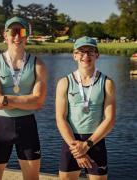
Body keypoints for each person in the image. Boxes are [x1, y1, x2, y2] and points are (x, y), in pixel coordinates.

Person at [0, 16, 47, 180]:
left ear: (27, 36)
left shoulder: (38, 64)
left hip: (27, 128)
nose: (17, 36)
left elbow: (39, 101)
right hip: (1, 128)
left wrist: (5, 100)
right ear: (5, 35)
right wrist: (26, 101)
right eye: (13, 32)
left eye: (22, 32)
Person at [56, 36, 115, 180]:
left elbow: (110, 120)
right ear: (74, 55)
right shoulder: (64, 82)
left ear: (97, 55)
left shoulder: (107, 83)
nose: (86, 55)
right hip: (71, 142)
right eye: (81, 51)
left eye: (90, 51)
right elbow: (60, 118)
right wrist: (78, 150)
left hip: (95, 141)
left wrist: (87, 145)